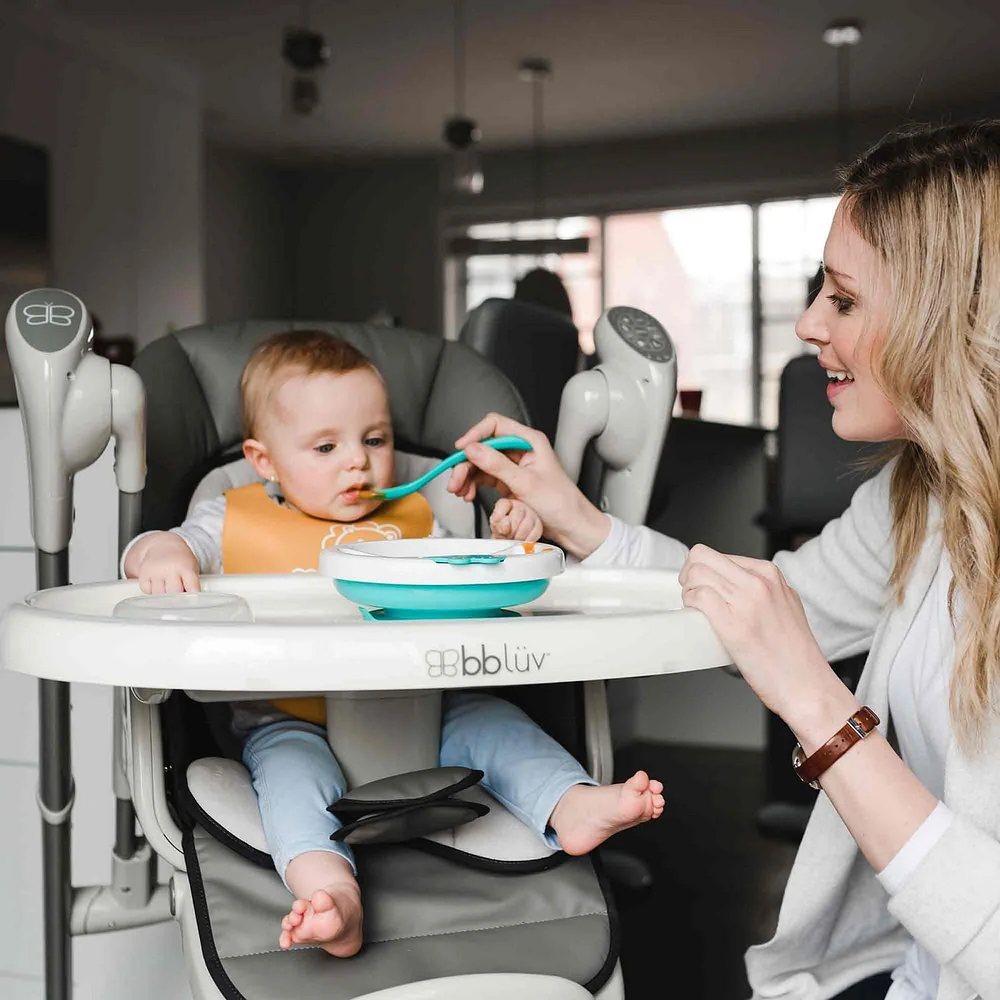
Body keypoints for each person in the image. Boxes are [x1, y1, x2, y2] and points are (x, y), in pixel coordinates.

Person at [448, 121, 1000, 1000]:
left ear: (951, 318)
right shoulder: (919, 496)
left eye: (845, 301)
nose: (809, 323)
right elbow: (768, 607)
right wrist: (583, 520)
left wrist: (820, 706)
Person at [122, 329, 665, 959]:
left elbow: (480, 573)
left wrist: (512, 533)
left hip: (426, 707)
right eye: (325, 446)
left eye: (374, 440)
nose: (357, 461)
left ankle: (569, 805)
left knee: (498, 724)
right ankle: (334, 895)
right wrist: (160, 552)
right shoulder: (230, 515)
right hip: (290, 718)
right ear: (263, 459)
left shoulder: (416, 520)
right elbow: (156, 547)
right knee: (291, 786)